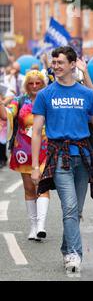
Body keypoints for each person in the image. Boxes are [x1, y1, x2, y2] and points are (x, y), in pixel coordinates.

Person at [31, 46, 93, 274]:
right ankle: (74, 254)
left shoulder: (87, 94)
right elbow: (36, 131)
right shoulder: (46, 94)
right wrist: (35, 166)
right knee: (70, 207)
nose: (55, 66)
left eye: (60, 62)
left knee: (76, 210)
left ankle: (67, 247)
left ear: (73, 64)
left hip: (83, 158)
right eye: (54, 63)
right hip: (59, 157)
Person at [0, 70, 50, 240]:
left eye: (38, 83)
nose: (35, 86)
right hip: (23, 150)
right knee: (29, 188)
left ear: (43, 84)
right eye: (31, 83)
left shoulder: (49, 99)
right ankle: (33, 226)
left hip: (45, 147)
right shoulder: (19, 100)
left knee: (41, 185)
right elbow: (6, 115)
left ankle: (42, 226)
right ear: (26, 85)